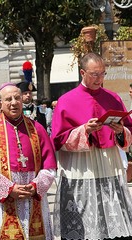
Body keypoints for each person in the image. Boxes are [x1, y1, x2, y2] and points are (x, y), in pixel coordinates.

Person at [51, 52, 132, 240]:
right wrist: (84, 130)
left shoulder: (113, 98)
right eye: (94, 74)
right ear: (82, 72)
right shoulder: (66, 101)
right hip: (82, 165)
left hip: (108, 163)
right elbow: (58, 139)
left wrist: (120, 130)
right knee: (84, 227)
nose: (99, 79)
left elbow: (129, 130)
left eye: (102, 74)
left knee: (114, 227)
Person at [0, 83, 57, 239]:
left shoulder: (37, 129)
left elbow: (50, 166)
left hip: (33, 199)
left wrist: (35, 186)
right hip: (4, 203)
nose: (13, 102)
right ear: (0, 103)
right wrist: (10, 189)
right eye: (8, 99)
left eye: (17, 98)